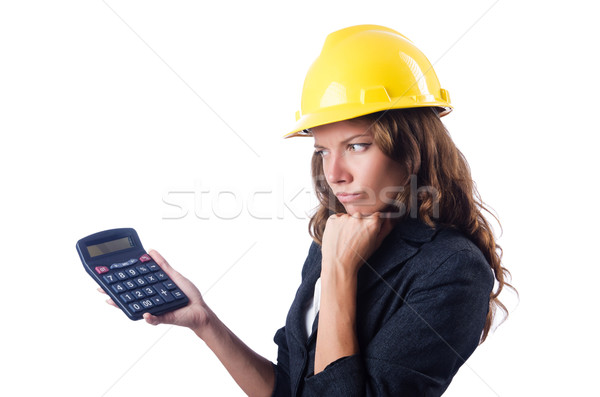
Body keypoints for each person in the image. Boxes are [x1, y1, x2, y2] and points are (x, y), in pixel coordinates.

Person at [101, 24, 513, 396]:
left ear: (413, 149)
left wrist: (340, 273)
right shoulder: (335, 235)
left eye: (356, 146)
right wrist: (204, 321)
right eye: (322, 151)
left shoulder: (454, 270)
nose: (334, 174)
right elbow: (290, 389)